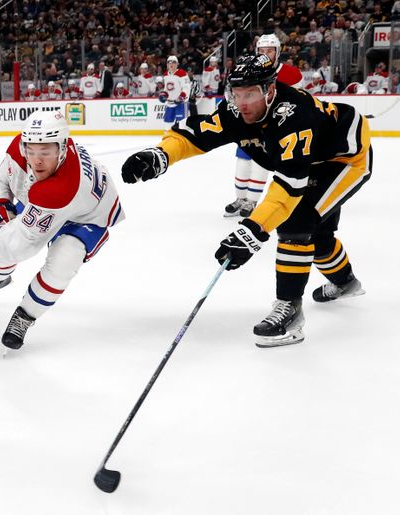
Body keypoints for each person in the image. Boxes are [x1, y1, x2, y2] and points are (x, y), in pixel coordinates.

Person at [120, 54, 371, 347]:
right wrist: (161, 154)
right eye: (237, 94)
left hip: (343, 159)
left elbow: (290, 185)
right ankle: (346, 283)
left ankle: (290, 310)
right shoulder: (235, 111)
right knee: (318, 235)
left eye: (250, 94)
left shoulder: (294, 115)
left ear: (270, 90)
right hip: (307, 160)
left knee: (296, 224)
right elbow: (195, 135)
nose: (241, 102)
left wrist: (253, 230)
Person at [0, 110, 125, 349]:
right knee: (5, 231)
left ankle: (25, 315)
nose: (36, 160)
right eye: (31, 151)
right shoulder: (20, 151)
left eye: (45, 153)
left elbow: (19, 244)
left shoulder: (62, 186)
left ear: (62, 149)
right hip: (48, 200)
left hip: (87, 214)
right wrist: (0, 206)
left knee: (63, 262)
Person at [225, 34, 303, 219]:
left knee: (260, 164)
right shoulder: (249, 70)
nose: (266, 54)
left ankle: (252, 201)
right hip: (250, 125)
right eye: (262, 51)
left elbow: (300, 101)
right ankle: (240, 199)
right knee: (242, 163)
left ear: (278, 52)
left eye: (269, 51)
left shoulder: (292, 74)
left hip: (274, 128)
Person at [159, 56, 191, 130]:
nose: (171, 64)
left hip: (181, 103)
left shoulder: (182, 73)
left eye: (173, 62)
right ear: (167, 64)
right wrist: (163, 94)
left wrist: (181, 97)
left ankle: (183, 140)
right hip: (169, 103)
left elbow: (186, 87)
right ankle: (168, 139)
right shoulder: (166, 75)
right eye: (169, 62)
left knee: (182, 123)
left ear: (177, 64)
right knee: (167, 123)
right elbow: (166, 88)